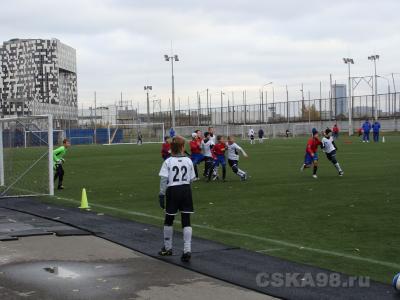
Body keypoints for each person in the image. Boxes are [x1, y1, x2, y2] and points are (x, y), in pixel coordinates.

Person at [158, 136, 196, 262]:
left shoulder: (168, 161)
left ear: (171, 148)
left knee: (169, 219)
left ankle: (168, 248)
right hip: (186, 190)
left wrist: (161, 194)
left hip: (173, 191)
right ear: (182, 147)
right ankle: (187, 250)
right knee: (186, 220)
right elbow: (191, 180)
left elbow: (164, 180)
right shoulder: (189, 160)